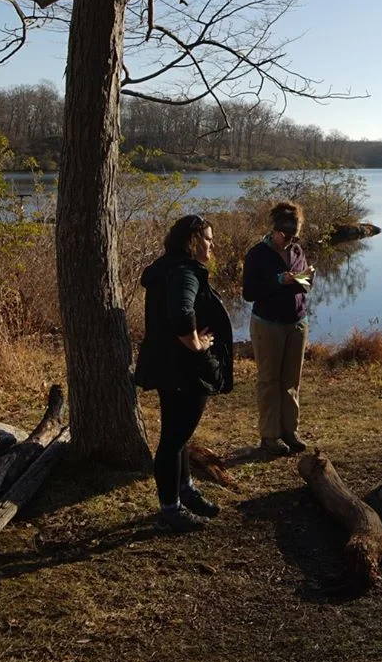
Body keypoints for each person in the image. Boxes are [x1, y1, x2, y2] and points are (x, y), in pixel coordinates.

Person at [134, 214, 233, 532]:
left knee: (178, 437)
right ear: (192, 241)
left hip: (168, 366)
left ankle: (185, 491)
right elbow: (180, 312)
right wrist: (196, 343)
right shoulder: (185, 273)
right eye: (208, 239)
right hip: (183, 370)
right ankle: (170, 510)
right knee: (173, 440)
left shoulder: (167, 267)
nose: (212, 245)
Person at [242, 200, 312, 457]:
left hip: (297, 322)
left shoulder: (297, 251)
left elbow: (305, 284)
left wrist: (305, 278)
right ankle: (270, 436)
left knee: (291, 380)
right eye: (287, 235)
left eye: (295, 236)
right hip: (268, 324)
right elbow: (249, 293)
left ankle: (290, 431)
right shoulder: (257, 254)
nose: (291, 241)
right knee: (269, 380)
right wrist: (278, 281)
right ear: (275, 230)